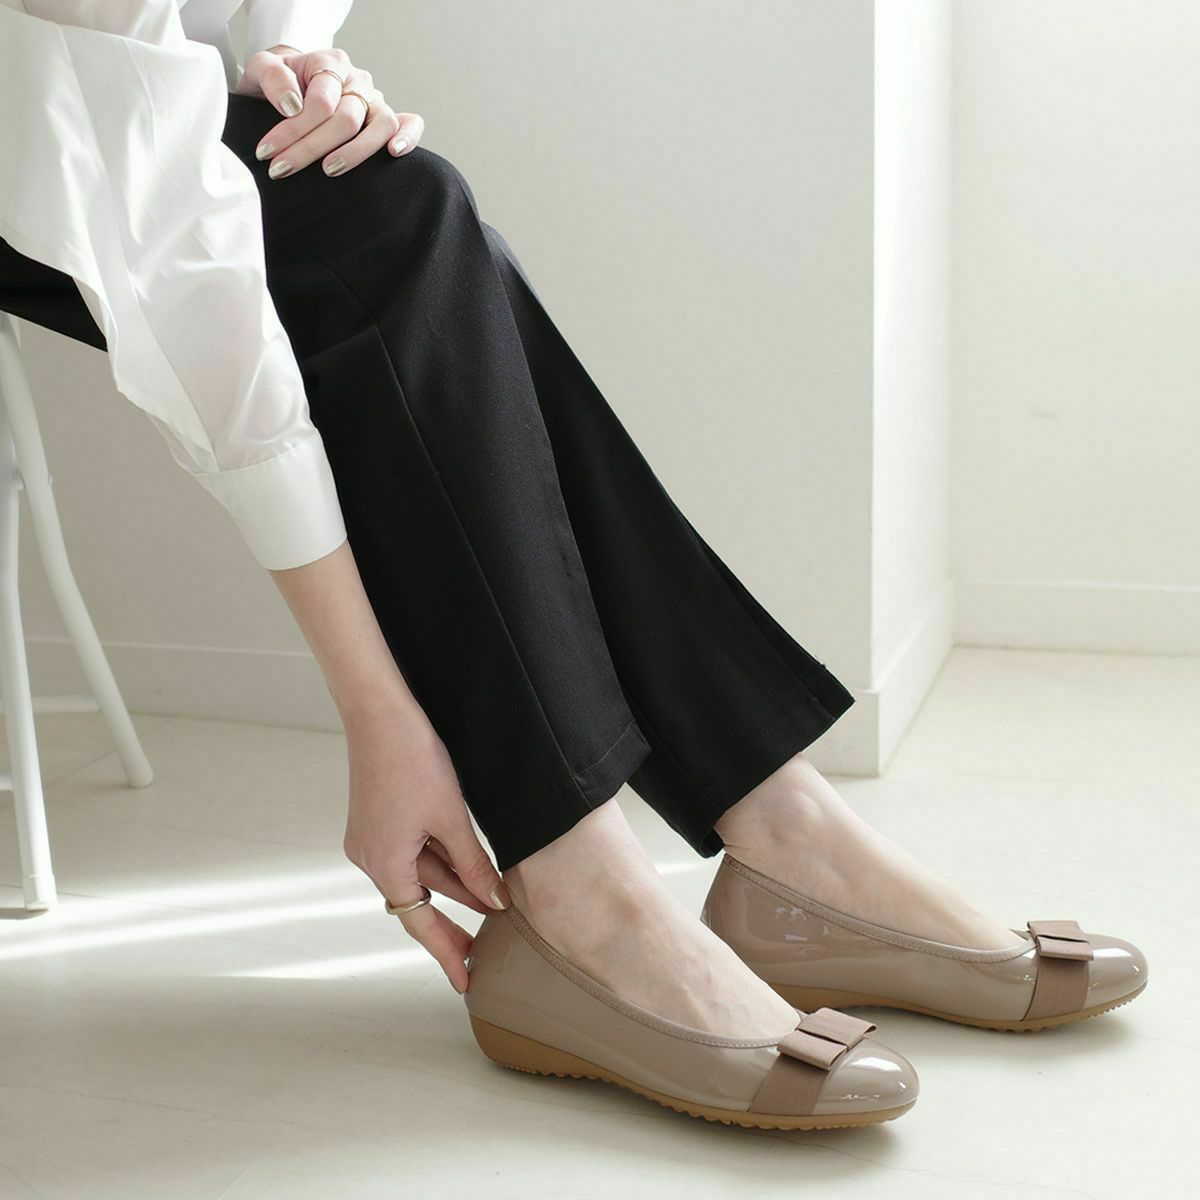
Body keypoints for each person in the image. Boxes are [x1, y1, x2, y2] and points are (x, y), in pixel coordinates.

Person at [0, 0, 1146, 1130]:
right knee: (389, 221)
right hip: (51, 85)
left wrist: (291, 59)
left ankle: (779, 837)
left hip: (95, 73)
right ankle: (590, 892)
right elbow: (160, 245)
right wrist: (377, 711)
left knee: (411, 214)